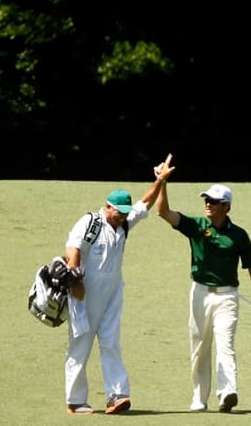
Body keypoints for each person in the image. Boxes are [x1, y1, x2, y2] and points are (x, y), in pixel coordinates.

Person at [154, 154, 251, 413]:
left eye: (214, 201)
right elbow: (163, 212)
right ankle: (199, 398)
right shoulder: (197, 226)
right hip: (199, 293)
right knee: (199, 346)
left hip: (228, 296)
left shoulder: (239, 235)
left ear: (226, 206)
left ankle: (227, 391)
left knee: (225, 343)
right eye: (207, 200)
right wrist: (162, 182)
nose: (208, 204)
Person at [61, 156, 171, 415]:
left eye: (124, 213)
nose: (122, 217)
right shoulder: (90, 223)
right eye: (118, 212)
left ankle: (117, 395)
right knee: (81, 344)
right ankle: (75, 401)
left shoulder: (123, 225)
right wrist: (76, 282)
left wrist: (160, 180)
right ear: (107, 207)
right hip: (83, 294)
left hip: (112, 294)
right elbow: (72, 249)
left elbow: (145, 204)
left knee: (111, 342)